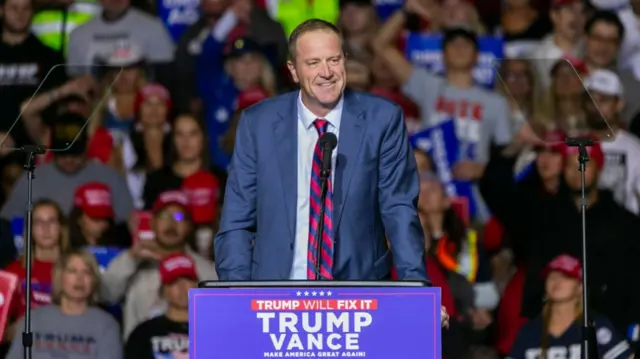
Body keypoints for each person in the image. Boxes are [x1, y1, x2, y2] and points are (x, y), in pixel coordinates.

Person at [214, 19, 449, 325]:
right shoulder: (257, 123)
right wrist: (237, 296)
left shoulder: (382, 119)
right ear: (294, 70)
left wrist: (417, 291)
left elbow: (399, 211)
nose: (326, 72)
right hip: (274, 301)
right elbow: (236, 221)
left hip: (358, 299)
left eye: (333, 60)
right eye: (313, 62)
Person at [508, 254, 632, 359]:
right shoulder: (529, 331)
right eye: (552, 276)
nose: (557, 281)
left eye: (566, 276)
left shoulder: (595, 327)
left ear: (579, 287)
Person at [5, 249, 122, 359]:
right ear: (60, 277)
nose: (79, 279)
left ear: (93, 280)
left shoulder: (107, 325)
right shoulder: (32, 320)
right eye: (72, 271)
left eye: (86, 272)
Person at [124, 253, 196, 359]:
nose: (182, 287)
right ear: (163, 291)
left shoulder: (215, 330)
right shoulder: (143, 333)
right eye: (173, 281)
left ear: (197, 284)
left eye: (187, 279)